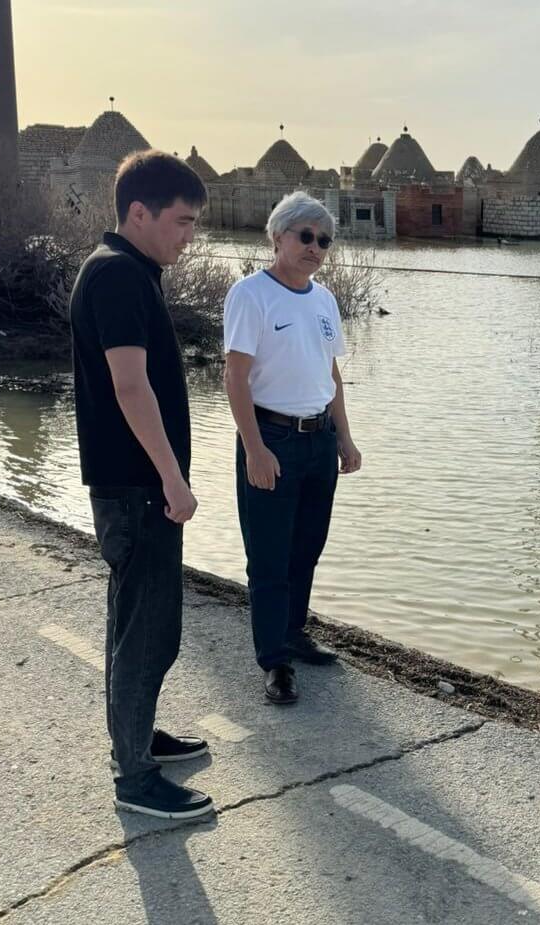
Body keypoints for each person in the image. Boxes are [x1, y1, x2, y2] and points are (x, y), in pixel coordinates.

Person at [70, 150, 213, 819]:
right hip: (137, 487)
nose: (189, 234)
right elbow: (130, 386)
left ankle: (135, 739)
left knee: (134, 624)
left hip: (131, 485)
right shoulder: (120, 277)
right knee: (149, 632)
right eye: (182, 221)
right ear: (139, 212)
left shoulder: (127, 272)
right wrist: (172, 479)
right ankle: (135, 778)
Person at [223, 191, 361, 704]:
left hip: (318, 438)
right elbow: (235, 378)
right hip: (272, 437)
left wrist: (345, 438)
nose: (315, 248)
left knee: (307, 546)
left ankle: (294, 633)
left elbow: (332, 374)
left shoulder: (324, 300)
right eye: (305, 237)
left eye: (323, 240)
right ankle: (274, 661)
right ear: (278, 236)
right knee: (269, 556)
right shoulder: (251, 294)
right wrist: (254, 449)